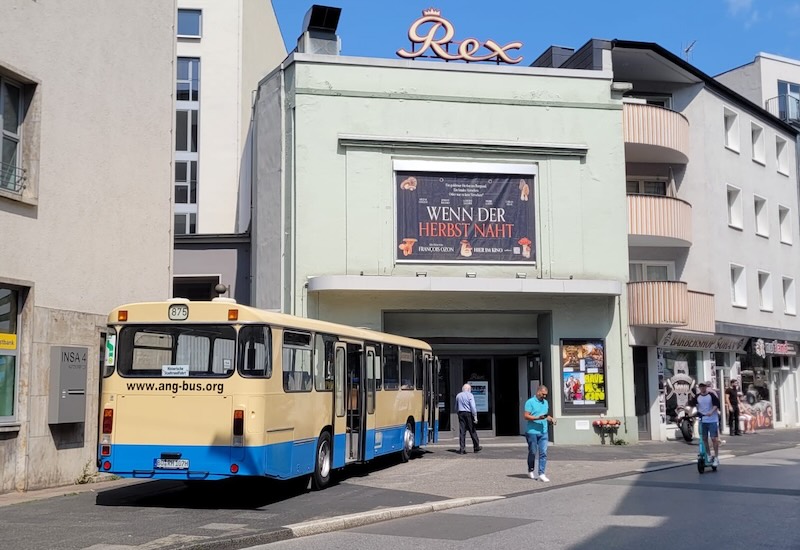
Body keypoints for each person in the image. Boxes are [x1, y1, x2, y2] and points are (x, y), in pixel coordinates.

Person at [523, 385, 556, 482]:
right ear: (538, 392)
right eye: (543, 394)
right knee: (533, 452)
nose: (544, 397)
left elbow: (545, 415)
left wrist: (551, 419)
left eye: (546, 395)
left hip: (543, 432)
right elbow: (526, 416)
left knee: (543, 453)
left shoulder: (545, 402)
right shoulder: (530, 402)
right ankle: (531, 469)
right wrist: (537, 418)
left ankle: (541, 473)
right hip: (532, 432)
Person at [688, 381, 721, 467]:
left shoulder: (711, 395)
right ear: (699, 388)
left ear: (706, 387)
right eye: (701, 387)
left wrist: (711, 411)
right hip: (703, 420)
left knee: (714, 438)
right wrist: (690, 412)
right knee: (704, 439)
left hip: (712, 419)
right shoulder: (698, 397)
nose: (702, 388)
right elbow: (691, 405)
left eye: (703, 387)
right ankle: (709, 455)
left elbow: (716, 404)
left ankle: (716, 457)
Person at [455, 383, 481, 454]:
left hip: (461, 413)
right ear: (469, 389)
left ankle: (462, 449)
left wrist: (458, 413)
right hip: (468, 413)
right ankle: (476, 447)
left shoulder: (458, 395)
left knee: (462, 432)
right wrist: (475, 417)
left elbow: (456, 407)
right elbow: (472, 406)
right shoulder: (470, 395)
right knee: (472, 430)